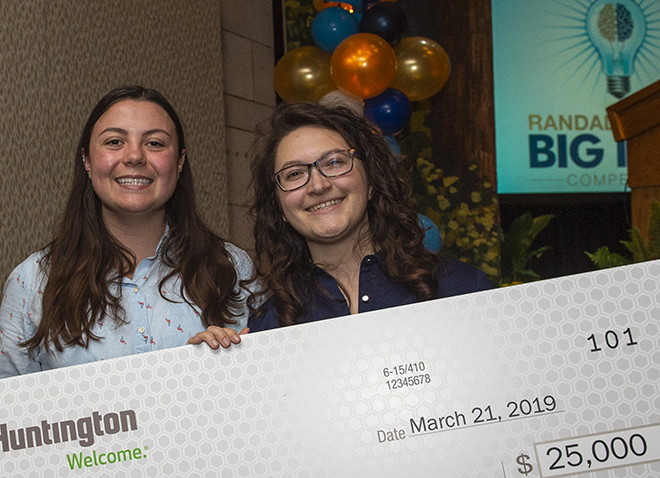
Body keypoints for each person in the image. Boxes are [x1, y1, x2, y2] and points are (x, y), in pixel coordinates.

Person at [0, 85, 254, 377]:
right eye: (114, 141)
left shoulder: (233, 267)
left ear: (180, 161)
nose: (134, 156)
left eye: (155, 143)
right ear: (87, 160)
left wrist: (220, 369)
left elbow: (264, 387)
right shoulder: (31, 281)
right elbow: (9, 409)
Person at [244, 102, 493, 332]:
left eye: (334, 162)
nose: (318, 185)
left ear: (372, 181)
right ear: (279, 207)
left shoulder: (463, 290)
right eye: (294, 174)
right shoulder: (268, 330)